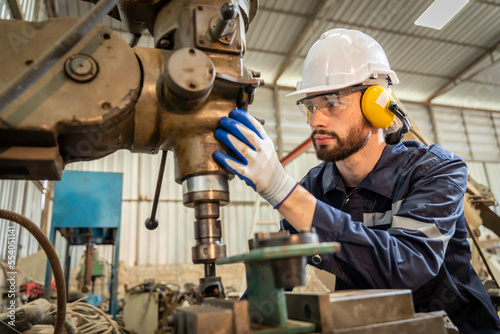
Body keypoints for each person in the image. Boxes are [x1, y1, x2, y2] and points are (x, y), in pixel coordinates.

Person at [213, 28, 500, 333]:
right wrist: (237, 320)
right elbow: (279, 273)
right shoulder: (315, 187)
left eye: (332, 102)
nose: (315, 120)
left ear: (375, 104)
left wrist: (282, 191)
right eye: (310, 106)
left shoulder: (436, 171)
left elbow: (405, 267)